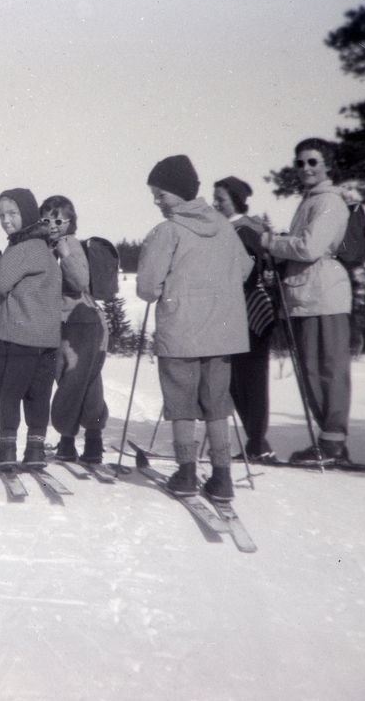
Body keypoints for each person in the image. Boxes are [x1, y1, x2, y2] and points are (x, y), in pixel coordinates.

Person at [136, 155, 251, 500]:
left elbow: (146, 288)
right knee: (217, 404)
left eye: (161, 194)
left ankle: (186, 473)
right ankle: (222, 477)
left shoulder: (167, 231)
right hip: (222, 331)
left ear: (179, 192)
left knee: (181, 403)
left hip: (181, 332)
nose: (157, 202)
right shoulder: (225, 226)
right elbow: (244, 268)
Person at [262, 138, 353, 464]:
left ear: (327, 165)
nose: (306, 169)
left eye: (313, 162)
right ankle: (330, 443)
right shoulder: (311, 200)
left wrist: (272, 243)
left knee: (328, 369)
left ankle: (332, 444)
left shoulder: (328, 201)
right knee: (312, 371)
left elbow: (310, 248)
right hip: (307, 295)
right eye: (300, 163)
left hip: (324, 295)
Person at [0, 189, 62, 469]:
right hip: (46, 339)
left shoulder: (22, 248)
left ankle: (6, 451)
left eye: (12, 213)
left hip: (15, 336)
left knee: (9, 393)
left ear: (27, 214)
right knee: (38, 396)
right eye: (2, 215)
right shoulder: (45, 248)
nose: (6, 220)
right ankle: (36, 450)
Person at [40, 195, 110, 465]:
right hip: (75, 322)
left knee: (71, 381)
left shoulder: (68, 244)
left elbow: (80, 281)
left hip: (80, 323)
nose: (53, 225)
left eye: (59, 220)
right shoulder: (49, 247)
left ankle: (71, 440)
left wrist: (63, 252)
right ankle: (90, 442)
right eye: (46, 220)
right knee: (86, 381)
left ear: (70, 222)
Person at [211, 176, 277, 462]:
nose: (215, 204)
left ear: (236, 200)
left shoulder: (245, 229)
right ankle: (255, 442)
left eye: (221, 200)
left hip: (250, 314)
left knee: (250, 379)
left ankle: (258, 442)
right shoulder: (231, 228)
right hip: (236, 314)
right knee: (237, 380)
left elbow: (249, 274)